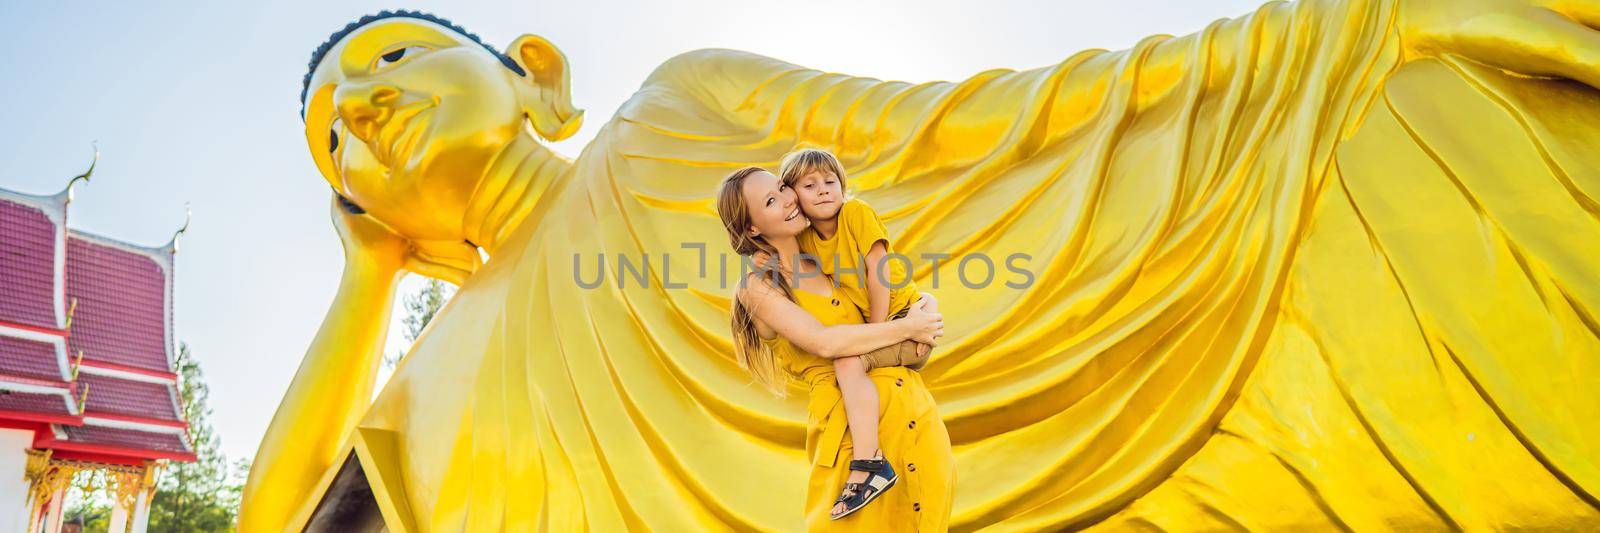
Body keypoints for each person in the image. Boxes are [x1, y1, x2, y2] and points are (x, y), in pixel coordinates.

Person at [716, 166, 956, 530]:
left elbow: (898, 292)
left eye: (782, 188)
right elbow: (825, 343)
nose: (788, 200)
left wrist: (926, 304)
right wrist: (906, 327)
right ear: (752, 228)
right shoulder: (758, 286)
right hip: (853, 446)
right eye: (770, 200)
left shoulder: (829, 252)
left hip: (913, 419)